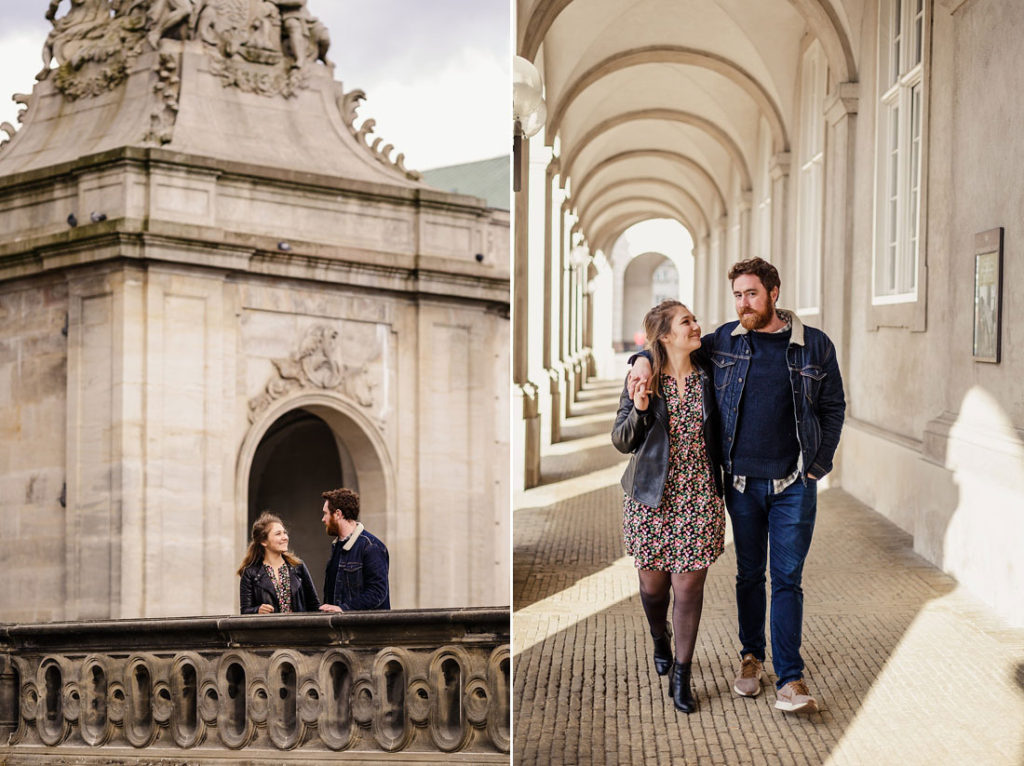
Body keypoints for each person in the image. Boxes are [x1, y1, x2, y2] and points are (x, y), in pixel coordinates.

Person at [628, 258, 845, 714]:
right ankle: (751, 659)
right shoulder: (724, 341)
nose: (744, 304)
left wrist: (817, 466)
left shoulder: (814, 345)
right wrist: (641, 360)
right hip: (741, 485)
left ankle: (789, 677)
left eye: (751, 294)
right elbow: (666, 348)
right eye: (738, 296)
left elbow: (833, 406)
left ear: (774, 292)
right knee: (750, 576)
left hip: (793, 484)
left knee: (787, 578)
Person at [611, 300, 725, 713]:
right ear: (664, 336)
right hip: (651, 499)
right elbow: (622, 440)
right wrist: (640, 409)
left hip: (699, 495)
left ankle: (682, 672)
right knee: (653, 587)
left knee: (689, 588)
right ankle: (658, 637)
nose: (697, 326)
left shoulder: (711, 374)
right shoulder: (642, 380)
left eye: (695, 318)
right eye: (687, 322)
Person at [317, 488, 390, 612]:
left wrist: (343, 608)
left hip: (365, 629)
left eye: (325, 513)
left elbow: (377, 593)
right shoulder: (337, 546)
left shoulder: (371, 547)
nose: (323, 519)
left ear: (338, 514)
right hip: (341, 629)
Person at [238, 512, 321, 614]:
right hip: (268, 629)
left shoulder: (298, 566)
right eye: (278, 534)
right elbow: (245, 611)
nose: (285, 537)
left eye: (284, 532)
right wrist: (257, 610)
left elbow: (314, 605)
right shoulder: (250, 573)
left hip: (298, 628)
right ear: (264, 542)